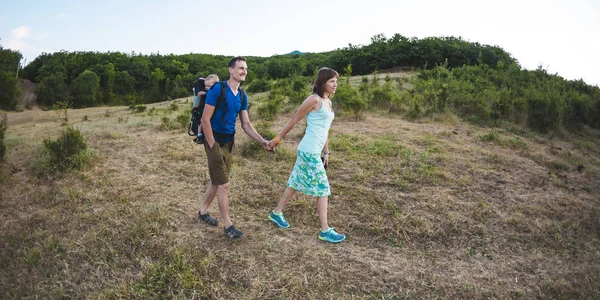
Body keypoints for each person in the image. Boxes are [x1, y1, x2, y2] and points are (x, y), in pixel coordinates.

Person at [267, 67, 346, 243]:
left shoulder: (328, 102)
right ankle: (325, 230)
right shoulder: (314, 100)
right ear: (323, 82)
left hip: (315, 150)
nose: (335, 84)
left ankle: (276, 213)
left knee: (295, 182)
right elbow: (294, 120)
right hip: (308, 150)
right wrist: (277, 140)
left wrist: (326, 151)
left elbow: (325, 130)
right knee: (323, 189)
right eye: (332, 81)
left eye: (336, 81)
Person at [196, 56, 271, 240]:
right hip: (213, 141)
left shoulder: (242, 96)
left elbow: (246, 124)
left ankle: (203, 212)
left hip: (229, 143)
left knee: (216, 181)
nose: (244, 71)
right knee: (224, 184)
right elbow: (205, 120)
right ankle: (228, 225)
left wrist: (262, 140)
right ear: (230, 70)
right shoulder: (217, 89)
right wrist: (212, 144)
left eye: (245, 68)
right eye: (240, 68)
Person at [193, 74, 219, 144]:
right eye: (206, 86)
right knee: (201, 120)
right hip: (203, 111)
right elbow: (199, 94)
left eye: (209, 86)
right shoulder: (206, 93)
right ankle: (199, 135)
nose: (207, 88)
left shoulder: (217, 92)